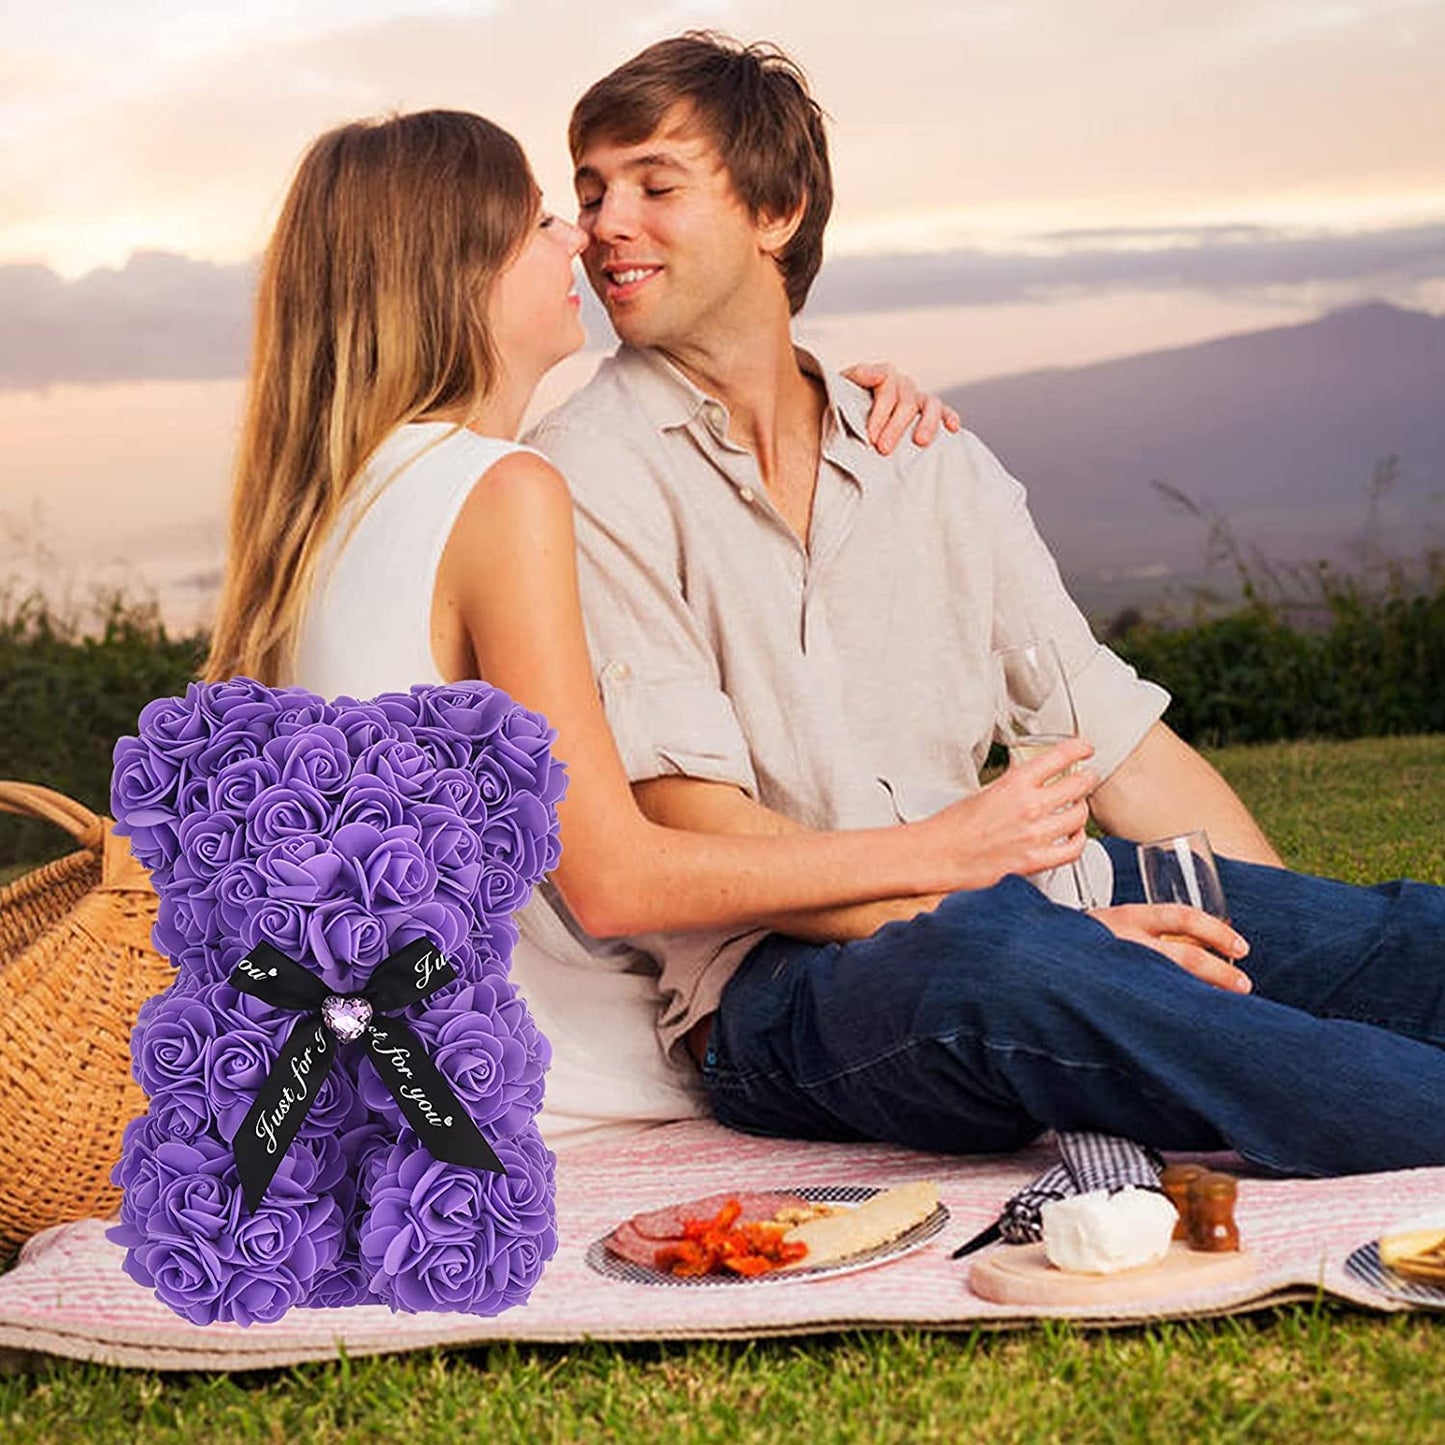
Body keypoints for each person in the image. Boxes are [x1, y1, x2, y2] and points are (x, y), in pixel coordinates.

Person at [530, 33, 1445, 1177]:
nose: (602, 223)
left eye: (653, 185)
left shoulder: (925, 455)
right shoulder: (578, 475)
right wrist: (1061, 940)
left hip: (1040, 909)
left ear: (775, 209)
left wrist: (1249, 936)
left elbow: (1113, 745)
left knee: (1406, 938)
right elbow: (693, 824)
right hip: (790, 990)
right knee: (1012, 969)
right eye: (589, 190)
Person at [202, 109, 1093, 1147]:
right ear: (451, 270)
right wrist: (939, 850)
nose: (576, 238)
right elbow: (619, 879)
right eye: (539, 221)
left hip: (355, 1060)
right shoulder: (498, 489)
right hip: (512, 1070)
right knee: (961, 1001)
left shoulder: (332, 510)